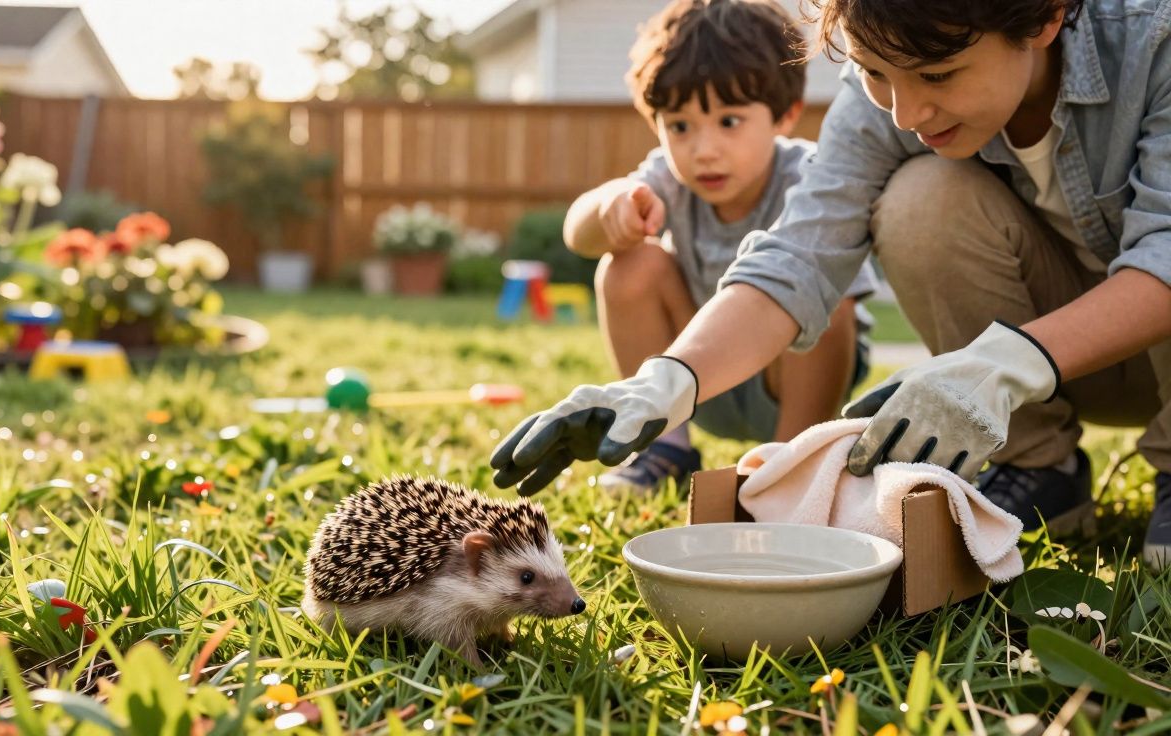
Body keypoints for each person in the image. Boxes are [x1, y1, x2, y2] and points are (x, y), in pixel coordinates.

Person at [491, 0, 1171, 570]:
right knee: (921, 198)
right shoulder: (895, 87)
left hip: (1142, 357)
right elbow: (800, 254)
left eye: (938, 73)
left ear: (1045, 17)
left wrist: (1004, 363)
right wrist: (667, 379)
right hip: (1058, 376)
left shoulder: (1155, 39)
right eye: (874, 72)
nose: (904, 112)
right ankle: (1040, 470)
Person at [562, 0, 875, 492]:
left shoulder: (810, 177)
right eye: (679, 126)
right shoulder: (665, 181)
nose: (704, 150)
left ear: (785, 115)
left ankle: (793, 464)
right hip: (693, 375)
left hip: (792, 377)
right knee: (629, 264)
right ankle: (663, 449)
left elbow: (839, 302)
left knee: (824, 296)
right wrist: (609, 209)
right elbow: (577, 235)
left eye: (729, 122)